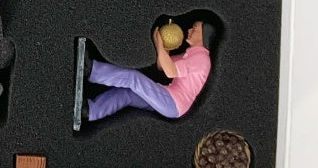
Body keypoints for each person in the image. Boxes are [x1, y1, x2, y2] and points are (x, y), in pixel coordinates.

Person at [78, 20, 215, 123]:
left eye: (195, 28)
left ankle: (90, 70)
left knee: (132, 78)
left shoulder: (201, 58)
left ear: (204, 34)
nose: (190, 30)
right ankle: (90, 111)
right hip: (172, 104)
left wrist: (160, 45)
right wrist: (164, 47)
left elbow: (170, 72)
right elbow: (163, 66)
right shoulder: (193, 54)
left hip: (172, 102)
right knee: (128, 94)